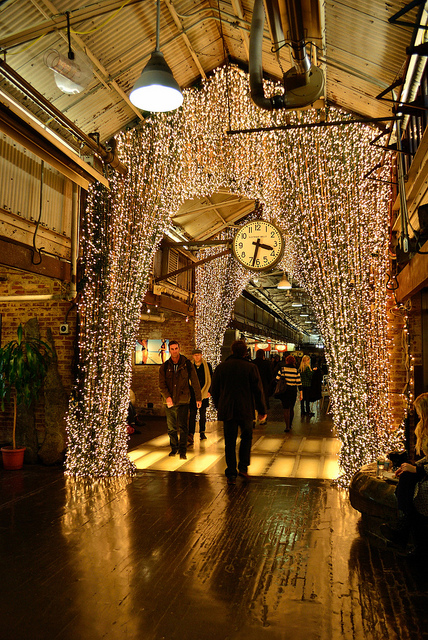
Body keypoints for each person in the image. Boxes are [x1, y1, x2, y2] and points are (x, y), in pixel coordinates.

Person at [210, 340, 267, 484]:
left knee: (229, 441)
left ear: (232, 351)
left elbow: (214, 390)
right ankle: (243, 468)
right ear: (245, 352)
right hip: (245, 409)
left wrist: (218, 406)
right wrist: (262, 410)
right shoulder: (251, 367)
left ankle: (231, 473)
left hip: (228, 409)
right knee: (246, 438)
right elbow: (258, 391)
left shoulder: (221, 367)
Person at [380, 392, 428, 552]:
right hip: (425, 470)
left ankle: (402, 533)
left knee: (411, 488)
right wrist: (410, 465)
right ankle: (403, 534)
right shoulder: (423, 427)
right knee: (406, 477)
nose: (417, 414)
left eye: (419, 410)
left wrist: (417, 469)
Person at [159, 340, 202, 459]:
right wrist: (167, 397)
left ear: (179, 349)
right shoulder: (165, 366)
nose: (174, 351)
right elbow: (161, 384)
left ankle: (183, 450)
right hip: (169, 401)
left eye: (176, 348)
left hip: (183, 400)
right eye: (172, 349)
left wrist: (198, 398)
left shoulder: (187, 364)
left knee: (183, 426)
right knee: (171, 427)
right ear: (169, 350)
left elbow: (195, 381)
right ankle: (174, 448)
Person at [188, 348, 213, 445]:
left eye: (198, 355)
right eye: (195, 355)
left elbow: (211, 378)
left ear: (201, 355)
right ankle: (191, 433)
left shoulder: (207, 366)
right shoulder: (190, 366)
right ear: (193, 356)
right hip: (193, 393)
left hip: (204, 392)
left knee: (203, 414)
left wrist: (209, 391)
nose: (197, 357)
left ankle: (202, 432)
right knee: (192, 414)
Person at [276, 355, 302, 432]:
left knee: (285, 408)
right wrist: (301, 394)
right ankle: (290, 424)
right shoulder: (296, 370)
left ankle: (287, 426)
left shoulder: (282, 369)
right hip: (293, 391)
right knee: (291, 408)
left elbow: (277, 379)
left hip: (285, 391)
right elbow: (299, 383)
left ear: (286, 361)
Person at [253, 349, 273, 423]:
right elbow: (270, 375)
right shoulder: (267, 363)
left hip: (254, 384)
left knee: (254, 401)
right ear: (263, 355)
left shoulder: (252, 363)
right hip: (264, 384)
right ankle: (262, 419)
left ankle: (254, 418)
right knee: (263, 400)